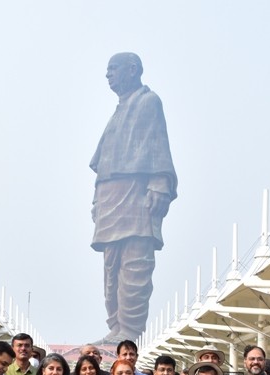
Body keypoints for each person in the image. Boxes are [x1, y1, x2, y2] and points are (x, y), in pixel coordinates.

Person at [90, 52, 177, 342]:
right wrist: (96, 200)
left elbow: (158, 145)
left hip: (136, 193)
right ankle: (116, 327)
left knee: (135, 262)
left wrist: (159, 183)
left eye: (113, 68)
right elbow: (102, 161)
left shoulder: (148, 101)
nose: (108, 74)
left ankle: (129, 330)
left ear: (132, 70)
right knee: (111, 267)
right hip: (109, 195)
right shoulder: (118, 111)